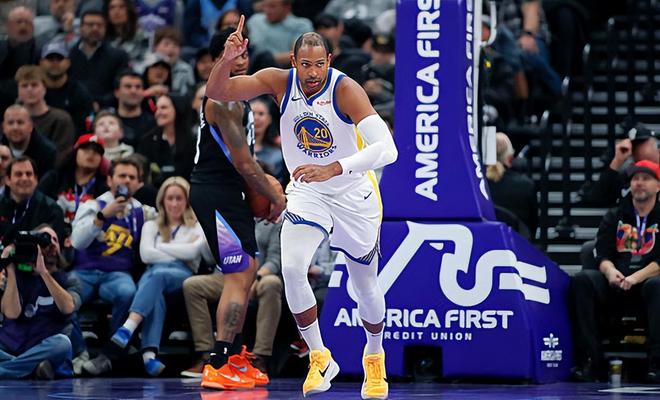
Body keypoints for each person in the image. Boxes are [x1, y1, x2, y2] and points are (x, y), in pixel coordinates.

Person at [206, 21, 398, 398]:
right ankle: (319, 356)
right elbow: (217, 91)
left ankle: (374, 356)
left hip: (352, 193)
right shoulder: (279, 81)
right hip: (308, 190)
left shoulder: (345, 89)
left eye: (319, 64)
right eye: (305, 64)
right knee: (292, 269)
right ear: (294, 62)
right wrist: (227, 60)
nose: (312, 72)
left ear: (330, 60)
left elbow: (387, 150)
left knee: (365, 285)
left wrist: (334, 167)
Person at [189, 28, 286, 390]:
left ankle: (232, 356)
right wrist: (275, 196)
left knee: (247, 270)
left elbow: (244, 166)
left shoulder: (239, 101)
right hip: (215, 192)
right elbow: (244, 164)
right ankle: (217, 362)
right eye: (232, 54)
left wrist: (262, 191)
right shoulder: (222, 102)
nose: (241, 60)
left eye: (245, 54)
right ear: (217, 60)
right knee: (238, 273)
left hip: (230, 192)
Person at [109, 177, 209, 376]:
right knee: (156, 293)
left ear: (187, 201)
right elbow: (146, 255)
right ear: (162, 201)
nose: (174, 203)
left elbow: (192, 253)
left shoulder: (197, 225)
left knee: (156, 276)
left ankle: (129, 326)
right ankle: (150, 357)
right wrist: (180, 249)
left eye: (179, 198)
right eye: (170, 198)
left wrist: (160, 247)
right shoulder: (151, 225)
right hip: (154, 274)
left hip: (183, 275)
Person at [571, 160, 660, 383]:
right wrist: (610, 271)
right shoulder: (614, 215)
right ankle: (589, 360)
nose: (639, 183)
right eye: (635, 179)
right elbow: (601, 252)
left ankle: (657, 364)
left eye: (646, 178)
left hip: (649, 283)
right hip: (616, 282)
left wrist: (636, 277)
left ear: (658, 186)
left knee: (657, 286)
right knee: (583, 280)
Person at [69, 157, 156, 376]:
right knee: (65, 298)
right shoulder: (92, 205)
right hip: (85, 271)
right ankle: (80, 353)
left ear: (139, 183)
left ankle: (111, 352)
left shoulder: (143, 212)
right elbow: (77, 242)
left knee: (128, 293)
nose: (126, 180)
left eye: (131, 177)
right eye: (121, 176)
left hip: (117, 274)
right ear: (109, 180)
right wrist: (102, 216)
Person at [181, 218, 283, 378]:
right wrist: (209, 237)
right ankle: (207, 354)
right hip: (227, 275)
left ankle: (259, 357)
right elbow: (209, 258)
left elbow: (275, 260)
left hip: (260, 276)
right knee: (192, 285)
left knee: (272, 283)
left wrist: (255, 278)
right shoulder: (229, 215)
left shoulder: (272, 220)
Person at [0, 224, 81, 380]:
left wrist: (43, 272)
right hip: (11, 345)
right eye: (44, 240)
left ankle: (11, 369)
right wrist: (9, 268)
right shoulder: (19, 276)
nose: (50, 244)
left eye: (55, 240)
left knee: (63, 343)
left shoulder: (69, 279)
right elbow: (11, 313)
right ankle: (30, 369)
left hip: (43, 348)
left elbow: (68, 307)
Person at [38, 134, 109, 224]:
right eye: (85, 148)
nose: (91, 153)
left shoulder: (104, 189)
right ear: (75, 152)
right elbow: (37, 206)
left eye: (97, 151)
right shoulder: (54, 178)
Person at [584, 123, 660, 207]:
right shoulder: (627, 176)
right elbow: (596, 199)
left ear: (655, 145)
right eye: (633, 145)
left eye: (641, 143)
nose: (636, 149)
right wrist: (617, 161)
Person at [14, 64, 75, 163]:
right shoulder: (11, 120)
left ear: (44, 88)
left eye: (34, 85)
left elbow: (62, 156)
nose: (29, 90)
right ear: (18, 90)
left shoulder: (61, 119)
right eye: (24, 85)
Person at [0, 156, 66, 245]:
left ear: (36, 179)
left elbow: (52, 246)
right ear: (8, 180)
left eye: (29, 174)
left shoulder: (51, 210)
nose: (24, 178)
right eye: (18, 174)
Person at [136, 94, 196, 186]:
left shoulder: (194, 142)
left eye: (163, 108)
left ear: (178, 109)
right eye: (156, 109)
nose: (158, 113)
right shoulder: (147, 141)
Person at [486, 132, 537, 235]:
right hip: (517, 242)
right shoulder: (526, 185)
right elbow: (533, 226)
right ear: (510, 158)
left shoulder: (478, 186)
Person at [39, 40, 94, 136]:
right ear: (41, 62)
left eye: (59, 58)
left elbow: (85, 128)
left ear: (68, 62)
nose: (55, 62)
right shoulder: (34, 91)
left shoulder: (80, 93)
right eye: (50, 58)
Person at [1, 105, 57, 177]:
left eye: (20, 122)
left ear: (30, 126)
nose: (15, 128)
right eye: (10, 123)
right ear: (3, 127)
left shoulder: (47, 152)